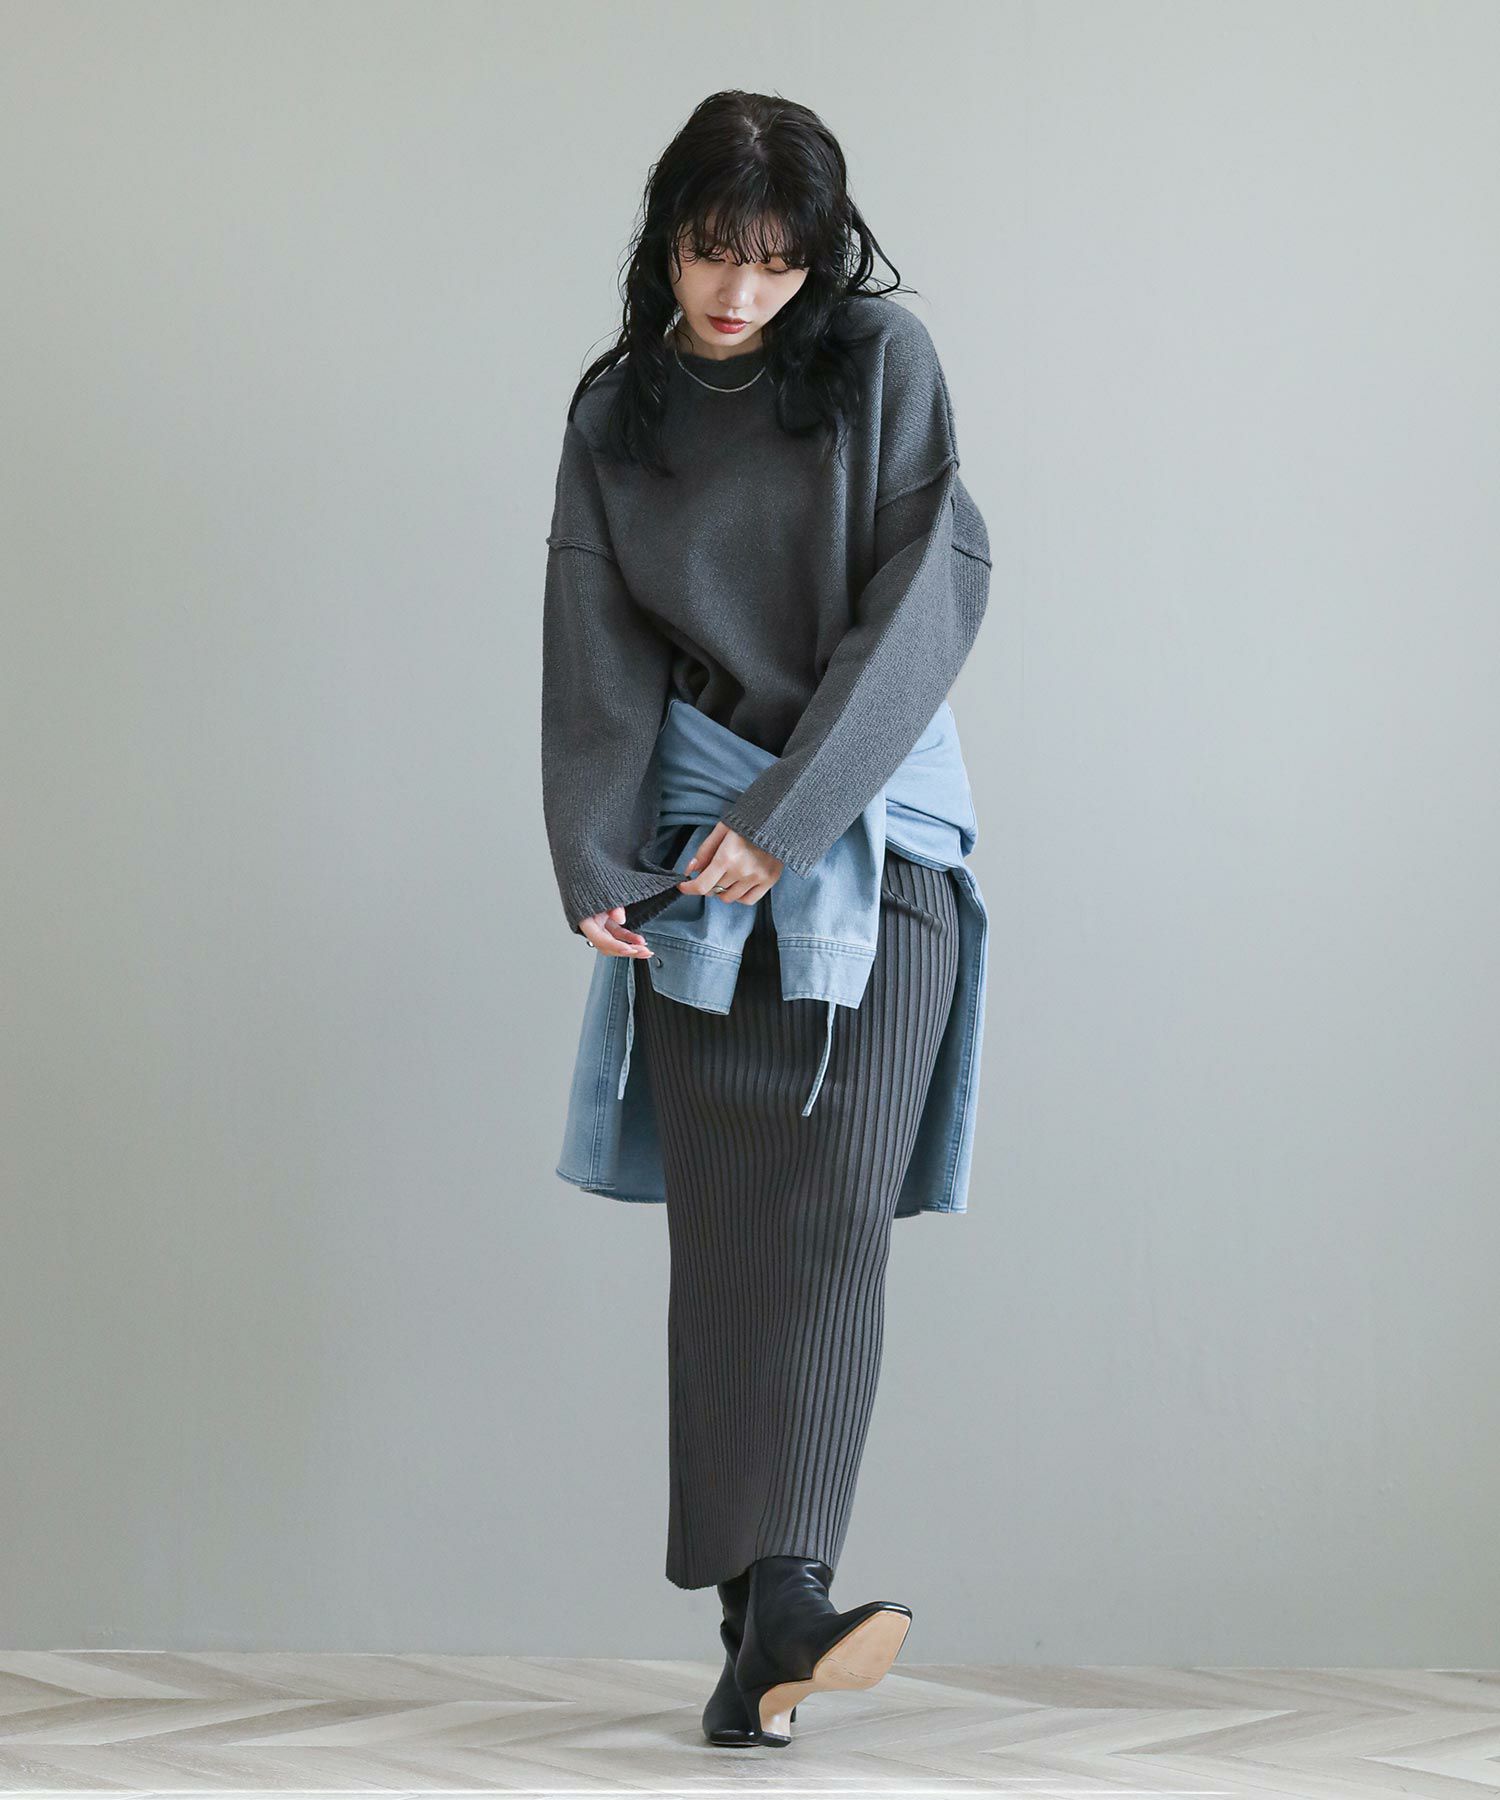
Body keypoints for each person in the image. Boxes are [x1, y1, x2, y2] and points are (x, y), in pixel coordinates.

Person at [539, 89, 993, 1749]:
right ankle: (759, 1643)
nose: (741, 291)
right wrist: (598, 858)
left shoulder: (879, 363)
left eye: (778, 260)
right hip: (698, 869)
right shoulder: (619, 412)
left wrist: (786, 815)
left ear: (822, 257)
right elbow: (593, 634)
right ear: (663, 238)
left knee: (826, 1215)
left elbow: (927, 600)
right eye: (712, 251)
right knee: (730, 1243)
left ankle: (788, 1592)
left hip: (868, 837)